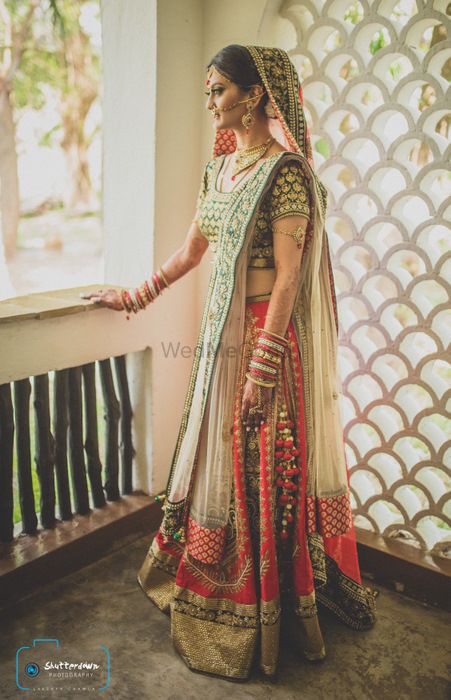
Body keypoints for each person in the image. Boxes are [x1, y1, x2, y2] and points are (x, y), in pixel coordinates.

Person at [85, 44, 376, 682]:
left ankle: (268, 613)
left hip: (266, 346)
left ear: (254, 94)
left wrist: (264, 366)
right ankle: (208, 583)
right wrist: (132, 296)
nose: (211, 101)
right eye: (209, 90)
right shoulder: (220, 170)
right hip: (219, 342)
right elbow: (192, 253)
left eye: (218, 89)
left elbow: (291, 277)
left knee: (262, 468)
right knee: (220, 463)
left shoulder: (286, 173)